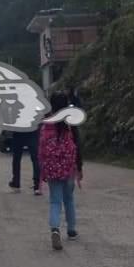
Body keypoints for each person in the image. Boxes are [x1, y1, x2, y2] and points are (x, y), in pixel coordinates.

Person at [39, 92, 84, 251]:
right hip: (68, 167)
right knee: (69, 200)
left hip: (52, 168)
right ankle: (71, 231)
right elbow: (77, 146)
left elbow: (42, 149)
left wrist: (42, 171)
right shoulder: (70, 122)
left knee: (55, 201)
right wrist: (79, 167)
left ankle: (55, 229)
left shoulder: (46, 124)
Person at [9, 128, 41, 195]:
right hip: (33, 130)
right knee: (36, 159)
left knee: (16, 158)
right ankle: (37, 186)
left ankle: (16, 183)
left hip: (18, 131)